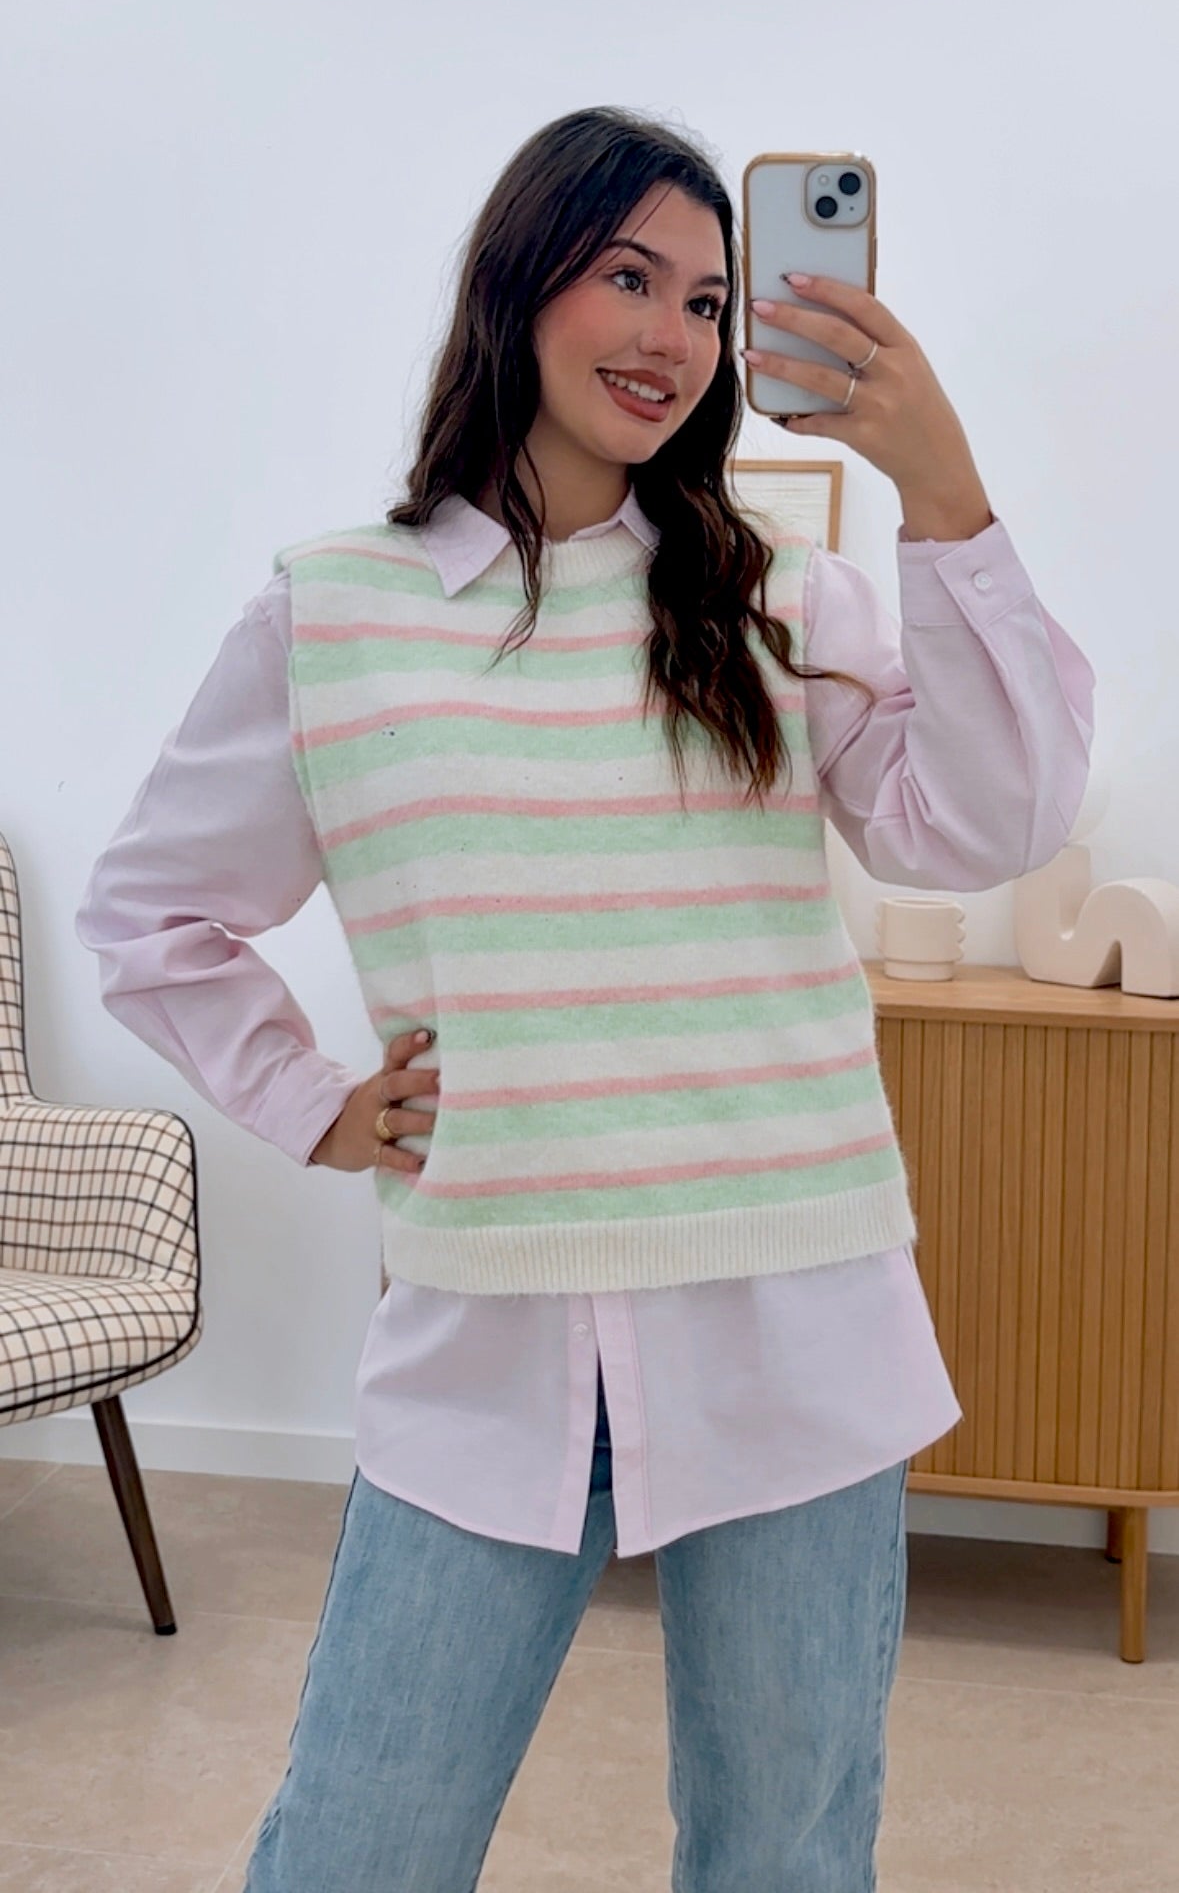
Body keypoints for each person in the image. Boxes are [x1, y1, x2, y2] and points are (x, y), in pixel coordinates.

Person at [77, 106, 1095, 1892]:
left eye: (705, 301)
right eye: (628, 277)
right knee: (359, 1849)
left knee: (784, 1856)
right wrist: (314, 1103)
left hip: (798, 1316)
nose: (670, 337)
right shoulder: (336, 613)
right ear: (519, 282)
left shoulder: (779, 600)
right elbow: (153, 912)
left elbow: (990, 825)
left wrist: (946, 495)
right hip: (491, 1331)